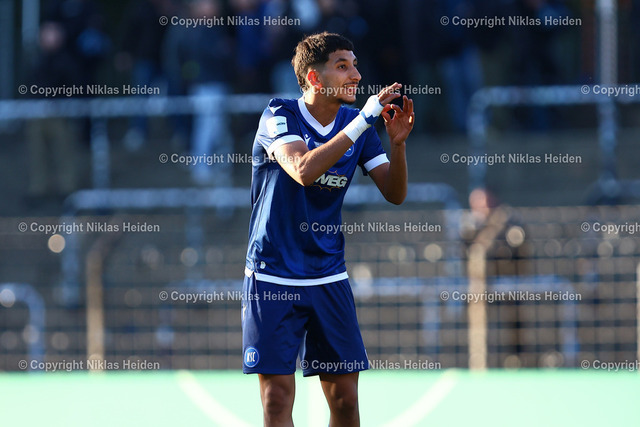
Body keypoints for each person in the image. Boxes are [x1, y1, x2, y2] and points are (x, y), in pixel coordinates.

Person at [242, 32, 414, 426]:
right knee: (276, 399)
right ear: (314, 78)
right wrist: (365, 121)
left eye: (355, 65)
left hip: (327, 275)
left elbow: (394, 193)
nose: (356, 75)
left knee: (346, 401)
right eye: (342, 66)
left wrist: (398, 145)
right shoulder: (279, 115)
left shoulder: (355, 124)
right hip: (272, 275)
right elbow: (303, 170)